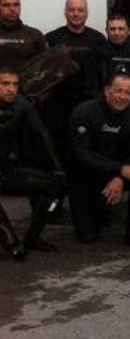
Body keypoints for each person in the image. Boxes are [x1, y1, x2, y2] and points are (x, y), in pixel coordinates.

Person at [68, 74, 130, 249]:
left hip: (115, 175)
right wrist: (120, 169)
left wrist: (121, 178)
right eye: (118, 91)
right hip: (85, 176)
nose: (122, 97)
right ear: (107, 91)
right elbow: (81, 154)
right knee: (87, 235)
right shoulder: (85, 112)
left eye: (128, 93)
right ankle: (99, 212)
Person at [0, 67, 63, 260]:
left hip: (5, 170)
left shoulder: (22, 105)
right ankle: (12, 243)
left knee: (56, 184)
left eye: (15, 84)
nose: (11, 89)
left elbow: (42, 134)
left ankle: (33, 237)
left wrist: (57, 168)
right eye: (5, 84)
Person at [44, 0, 107, 153]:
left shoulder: (98, 39)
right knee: (59, 142)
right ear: (65, 13)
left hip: (89, 99)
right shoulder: (52, 38)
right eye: (72, 10)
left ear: (86, 14)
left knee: (87, 142)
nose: (76, 14)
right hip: (58, 101)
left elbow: (104, 73)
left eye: (80, 10)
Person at [83, 13, 130, 104]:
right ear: (106, 31)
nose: (117, 33)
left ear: (129, 31)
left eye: (121, 29)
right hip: (103, 107)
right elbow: (91, 86)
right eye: (112, 29)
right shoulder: (97, 53)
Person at [0, 0, 47, 70]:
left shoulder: (35, 35)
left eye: (16, 4)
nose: (12, 9)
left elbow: (45, 67)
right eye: (6, 5)